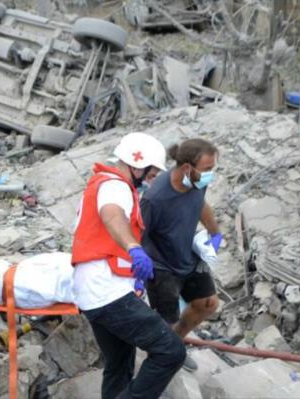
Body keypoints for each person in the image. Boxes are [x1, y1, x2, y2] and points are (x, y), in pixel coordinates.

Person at [71, 132, 186, 399]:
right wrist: (134, 248)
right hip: (106, 291)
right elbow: (111, 215)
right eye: (151, 173)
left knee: (120, 366)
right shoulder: (115, 186)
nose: (151, 180)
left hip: (94, 290)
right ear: (137, 164)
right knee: (171, 351)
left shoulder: (103, 184)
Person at [140, 138, 221, 372]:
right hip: (162, 265)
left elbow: (200, 204)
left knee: (208, 303)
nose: (210, 175)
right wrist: (141, 268)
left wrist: (215, 232)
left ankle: (175, 343)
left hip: (187, 254)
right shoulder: (156, 198)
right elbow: (140, 234)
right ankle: (162, 355)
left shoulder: (196, 182)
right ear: (187, 168)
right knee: (167, 318)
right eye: (207, 169)